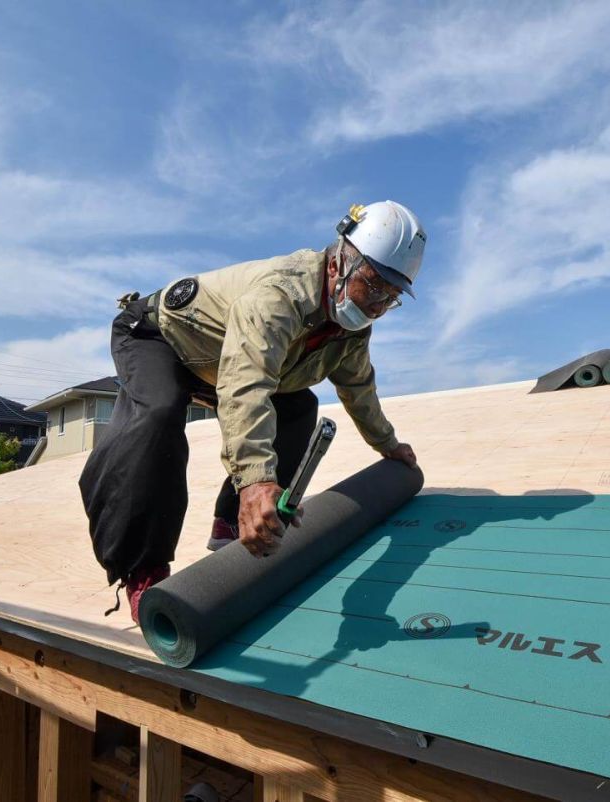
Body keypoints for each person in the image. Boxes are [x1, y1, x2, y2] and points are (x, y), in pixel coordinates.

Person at [79, 201, 425, 622]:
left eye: (391, 297)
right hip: (160, 339)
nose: (377, 305)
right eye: (374, 286)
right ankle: (141, 568)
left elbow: (358, 388)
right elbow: (247, 384)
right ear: (339, 263)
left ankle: (227, 525)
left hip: (215, 362)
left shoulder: (350, 330)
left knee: (300, 407)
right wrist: (257, 482)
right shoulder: (279, 295)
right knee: (158, 414)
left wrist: (388, 446)